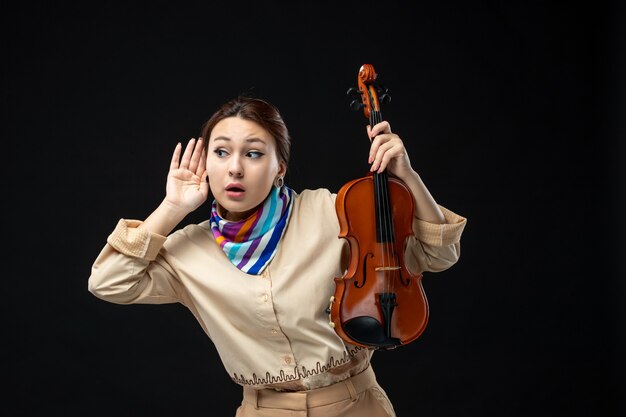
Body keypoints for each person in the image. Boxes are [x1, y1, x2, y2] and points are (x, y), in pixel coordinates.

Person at [88, 95, 467, 417]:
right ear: (208, 164)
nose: (235, 167)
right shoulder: (188, 250)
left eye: (253, 153)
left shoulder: (334, 211)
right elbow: (108, 281)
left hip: (357, 405)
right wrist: (172, 207)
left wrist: (408, 176)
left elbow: (438, 255)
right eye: (221, 152)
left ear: (279, 167)